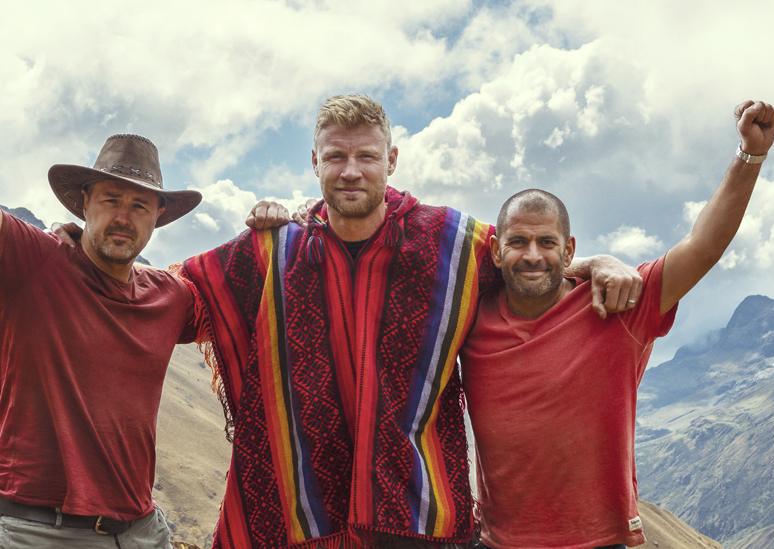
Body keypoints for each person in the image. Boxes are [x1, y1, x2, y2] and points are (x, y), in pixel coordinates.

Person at [179, 95, 641, 548]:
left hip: (415, 516)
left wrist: (598, 262)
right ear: (314, 162)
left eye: (367, 156)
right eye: (336, 156)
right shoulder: (275, 250)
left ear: (392, 160)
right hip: (301, 512)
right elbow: (184, 294)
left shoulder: (451, 243)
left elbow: (529, 257)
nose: (351, 170)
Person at [0, 7, 215, 547]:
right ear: (84, 204)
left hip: (141, 531)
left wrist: (279, 224)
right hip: (37, 531)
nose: (124, 216)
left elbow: (248, 296)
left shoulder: (170, 298)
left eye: (140, 206)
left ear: (158, 219)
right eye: (111, 199)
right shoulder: (31, 264)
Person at [460, 100, 774, 549]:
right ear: (496, 251)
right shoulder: (467, 316)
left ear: (568, 250)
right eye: (518, 241)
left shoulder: (618, 305)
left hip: (601, 542)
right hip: (497, 542)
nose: (532, 254)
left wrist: (751, 157)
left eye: (546, 242)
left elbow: (702, 247)